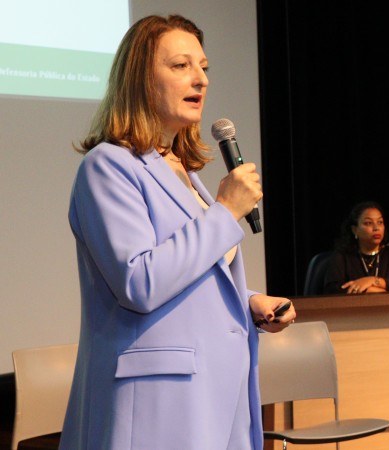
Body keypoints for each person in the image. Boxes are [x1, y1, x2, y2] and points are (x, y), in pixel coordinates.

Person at [60, 15, 295, 450]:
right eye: (181, 65)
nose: (201, 79)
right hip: (158, 401)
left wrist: (248, 304)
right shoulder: (108, 166)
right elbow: (139, 282)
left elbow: (187, 275)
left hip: (218, 391)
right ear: (141, 79)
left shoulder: (183, 171)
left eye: (204, 66)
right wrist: (225, 211)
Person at [323, 201, 389, 294]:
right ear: (355, 230)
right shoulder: (343, 256)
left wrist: (373, 281)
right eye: (368, 223)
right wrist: (371, 291)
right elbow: (332, 289)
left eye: (380, 222)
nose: (376, 228)